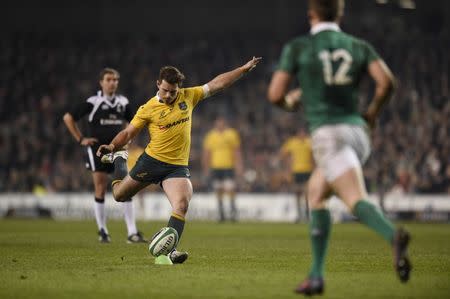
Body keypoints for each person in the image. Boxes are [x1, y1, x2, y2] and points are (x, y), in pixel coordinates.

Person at [267, 0, 411, 295]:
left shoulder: (299, 47)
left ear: (311, 14)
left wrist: (292, 101)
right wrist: (371, 113)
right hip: (358, 132)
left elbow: (275, 95)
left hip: (329, 133)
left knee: (354, 199)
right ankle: (316, 277)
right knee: (316, 194)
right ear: (340, 14)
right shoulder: (358, 46)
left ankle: (392, 235)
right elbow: (387, 83)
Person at [96, 57, 261, 263]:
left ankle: (168, 252)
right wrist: (112, 146)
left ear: (178, 88)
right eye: (165, 90)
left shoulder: (188, 96)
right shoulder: (148, 108)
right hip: (151, 162)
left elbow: (218, 83)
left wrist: (242, 70)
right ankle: (120, 160)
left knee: (181, 205)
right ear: (158, 84)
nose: (168, 95)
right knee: (119, 195)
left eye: (172, 91)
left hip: (176, 167)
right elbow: (128, 133)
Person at [63, 68, 146, 244]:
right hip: (97, 149)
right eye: (109, 79)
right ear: (101, 82)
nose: (112, 82)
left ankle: (132, 232)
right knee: (100, 187)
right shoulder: (93, 102)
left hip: (117, 149)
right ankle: (103, 230)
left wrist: (129, 138)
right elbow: (68, 117)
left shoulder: (123, 102)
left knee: (126, 187)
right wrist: (80, 139)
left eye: (115, 80)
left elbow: (135, 122)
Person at [202, 117, 243, 222]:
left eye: (221, 122)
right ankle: (221, 214)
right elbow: (207, 153)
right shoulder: (210, 136)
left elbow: (236, 151)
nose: (220, 124)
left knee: (230, 189)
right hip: (215, 167)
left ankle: (233, 213)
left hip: (228, 166)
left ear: (224, 123)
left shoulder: (232, 134)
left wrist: (239, 165)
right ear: (215, 124)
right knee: (219, 189)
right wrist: (206, 167)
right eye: (218, 123)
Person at [279, 127, 314, 222]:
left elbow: (314, 155)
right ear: (297, 133)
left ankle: (307, 214)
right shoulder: (292, 142)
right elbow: (282, 154)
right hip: (296, 171)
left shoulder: (310, 142)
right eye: (300, 132)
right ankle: (299, 214)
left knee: (307, 193)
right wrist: (287, 166)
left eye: (303, 132)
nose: (301, 134)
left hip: (308, 171)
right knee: (297, 193)